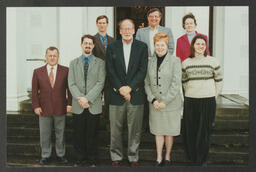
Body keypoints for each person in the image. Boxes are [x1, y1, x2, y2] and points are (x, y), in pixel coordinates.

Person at [106, 19, 148, 167]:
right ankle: (116, 156)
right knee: (115, 130)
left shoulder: (142, 47)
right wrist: (121, 88)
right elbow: (110, 70)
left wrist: (130, 88)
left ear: (134, 30)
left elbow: (142, 70)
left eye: (130, 28)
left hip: (135, 95)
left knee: (135, 130)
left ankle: (133, 157)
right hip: (116, 94)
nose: (127, 31)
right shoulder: (112, 47)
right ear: (120, 31)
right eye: (124, 28)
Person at [181, 34, 223, 166]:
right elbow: (184, 82)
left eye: (203, 44)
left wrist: (213, 95)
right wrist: (192, 91)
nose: (200, 46)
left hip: (208, 100)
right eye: (198, 44)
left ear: (206, 47)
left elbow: (219, 81)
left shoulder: (213, 61)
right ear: (193, 45)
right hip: (191, 100)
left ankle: (201, 159)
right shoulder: (186, 63)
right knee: (191, 129)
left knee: (204, 130)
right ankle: (193, 157)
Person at [144, 32, 183, 167]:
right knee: (158, 131)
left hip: (170, 104)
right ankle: (159, 157)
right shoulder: (150, 62)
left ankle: (167, 157)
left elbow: (176, 84)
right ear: (154, 46)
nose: (160, 47)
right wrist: (153, 100)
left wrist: (164, 101)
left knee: (169, 132)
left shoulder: (175, 61)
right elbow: (146, 83)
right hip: (155, 104)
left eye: (162, 45)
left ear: (167, 46)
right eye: (157, 45)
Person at [68, 34, 105, 167]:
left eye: (90, 43)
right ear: (81, 44)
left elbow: (101, 83)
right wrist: (80, 98)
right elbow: (71, 83)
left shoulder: (100, 63)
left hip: (93, 105)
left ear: (93, 46)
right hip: (78, 105)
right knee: (78, 134)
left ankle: (92, 160)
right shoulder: (73, 63)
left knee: (92, 135)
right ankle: (80, 159)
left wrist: (87, 99)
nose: (88, 45)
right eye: (85, 43)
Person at [32, 46, 72, 165]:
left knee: (60, 133)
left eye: (55, 55)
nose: (52, 58)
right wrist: (35, 106)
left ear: (58, 57)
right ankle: (45, 155)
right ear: (46, 57)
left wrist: (69, 104)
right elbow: (34, 92)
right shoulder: (37, 71)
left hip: (61, 107)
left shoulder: (66, 70)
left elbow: (69, 89)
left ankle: (61, 154)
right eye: (50, 55)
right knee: (45, 133)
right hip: (43, 108)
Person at [93, 15, 115, 132]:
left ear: (107, 24)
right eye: (100, 23)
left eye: (104, 23)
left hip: (109, 76)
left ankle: (108, 123)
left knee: (108, 100)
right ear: (97, 24)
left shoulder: (112, 40)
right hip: (96, 76)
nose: (102, 25)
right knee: (95, 99)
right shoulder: (92, 39)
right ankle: (95, 123)